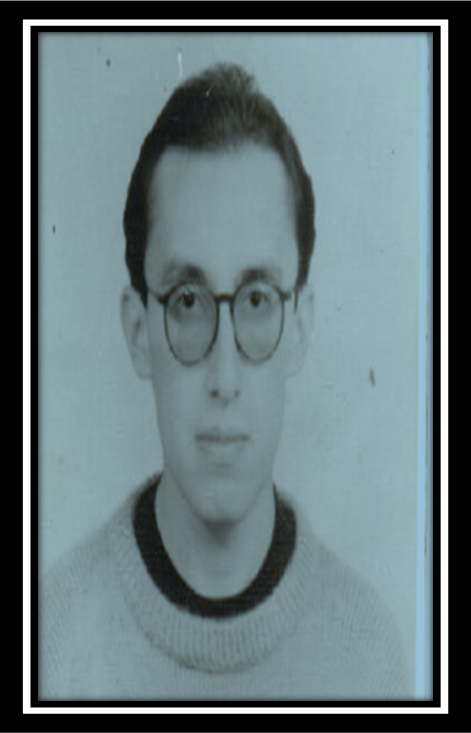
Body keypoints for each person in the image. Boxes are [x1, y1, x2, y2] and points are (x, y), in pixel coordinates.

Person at [40, 63, 410, 699]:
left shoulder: (368, 658)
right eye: (188, 301)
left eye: (257, 300)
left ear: (300, 326)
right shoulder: (56, 644)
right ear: (138, 330)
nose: (224, 376)